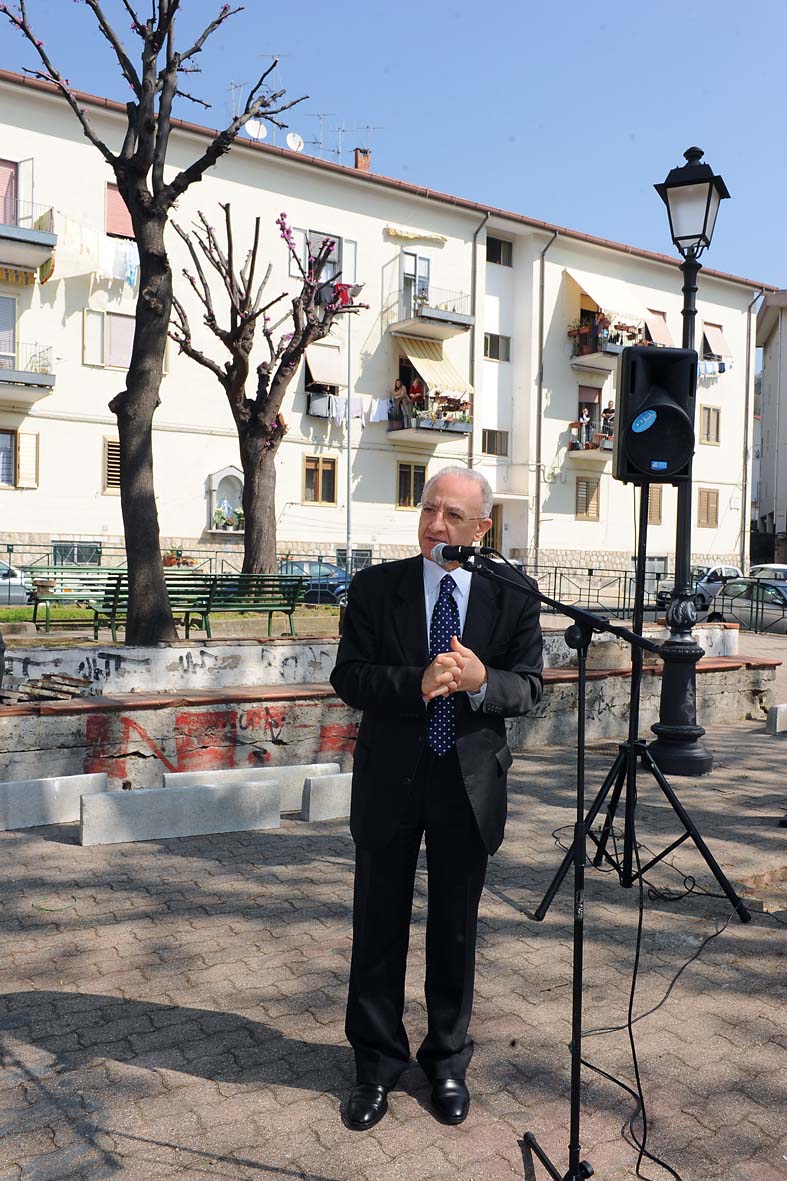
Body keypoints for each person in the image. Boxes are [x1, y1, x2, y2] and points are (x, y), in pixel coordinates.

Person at [330, 467, 543, 1131]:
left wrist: (482, 681)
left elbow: (530, 686)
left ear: (482, 528)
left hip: (467, 782)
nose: (435, 525)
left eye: (453, 515)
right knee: (377, 924)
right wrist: (415, 681)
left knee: (454, 928)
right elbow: (349, 675)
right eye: (428, 508)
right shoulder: (375, 587)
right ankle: (375, 1063)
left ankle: (446, 1059)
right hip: (390, 777)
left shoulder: (512, 595)